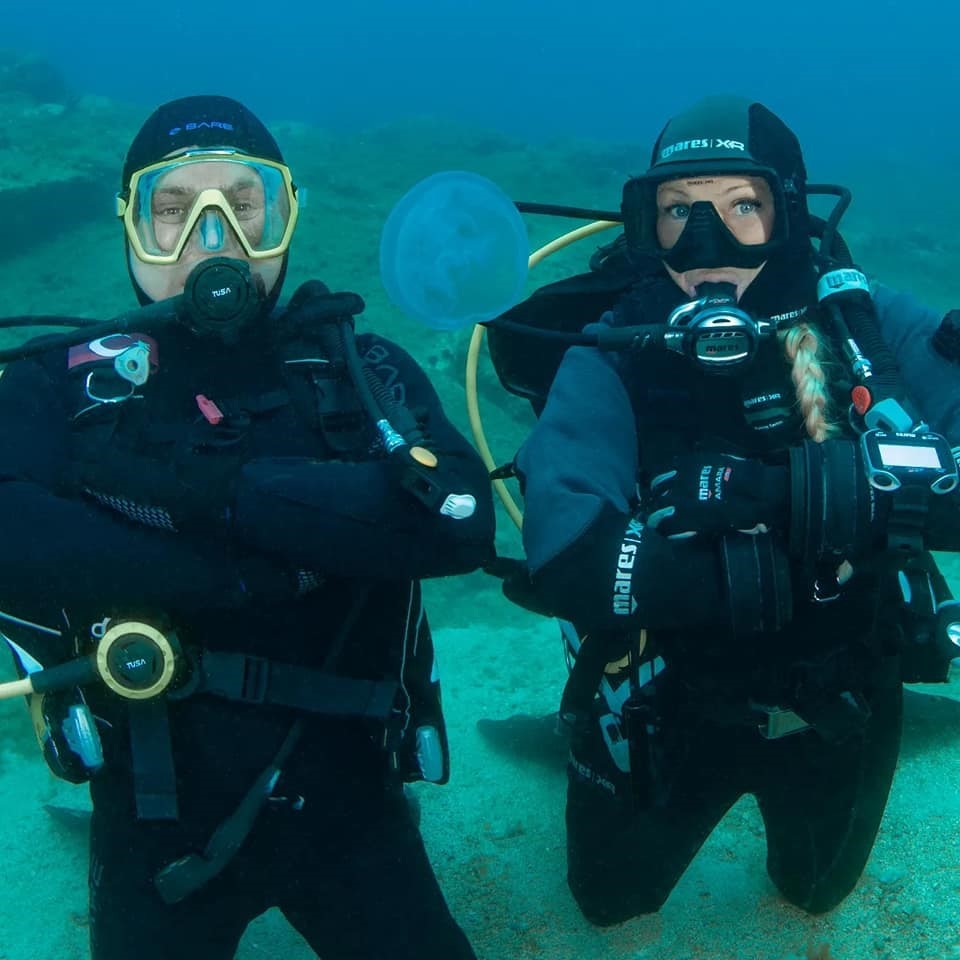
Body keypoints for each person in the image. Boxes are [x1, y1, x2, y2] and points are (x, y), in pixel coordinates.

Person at [0, 94, 494, 959]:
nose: (214, 237)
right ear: (129, 227)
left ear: (284, 214)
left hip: (354, 804)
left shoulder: (361, 373)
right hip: (154, 818)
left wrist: (205, 498)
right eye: (173, 208)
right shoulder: (57, 385)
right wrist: (239, 574)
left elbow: (460, 521)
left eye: (244, 202)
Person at [487, 95, 960, 924]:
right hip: (666, 693)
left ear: (789, 208)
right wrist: (789, 560)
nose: (705, 245)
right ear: (646, 221)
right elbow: (564, 545)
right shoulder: (614, 348)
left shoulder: (865, 326)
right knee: (607, 900)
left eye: (742, 207)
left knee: (815, 889)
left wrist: (783, 496)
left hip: (842, 694)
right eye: (678, 212)